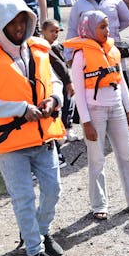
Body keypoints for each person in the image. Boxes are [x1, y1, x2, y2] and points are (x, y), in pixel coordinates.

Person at [0, 0, 65, 256]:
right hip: (12, 145)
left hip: (43, 139)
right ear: (0, 25)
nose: (18, 27)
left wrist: (54, 99)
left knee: (53, 190)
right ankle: (34, 251)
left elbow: (56, 81)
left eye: (22, 20)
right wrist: (20, 109)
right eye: (11, 23)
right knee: (23, 198)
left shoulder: (39, 49)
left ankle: (41, 231)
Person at [65, 11, 129, 220]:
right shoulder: (80, 56)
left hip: (116, 109)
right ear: (89, 28)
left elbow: (120, 80)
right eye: (102, 27)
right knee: (96, 159)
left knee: (127, 154)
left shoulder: (112, 49)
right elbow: (78, 91)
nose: (107, 31)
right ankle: (99, 204)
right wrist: (86, 122)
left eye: (108, 26)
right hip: (94, 112)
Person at [66, 0, 129, 68]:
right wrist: (69, 54)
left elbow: (127, 20)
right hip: (89, 51)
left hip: (112, 48)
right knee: (95, 79)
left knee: (118, 77)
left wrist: (112, 29)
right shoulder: (79, 3)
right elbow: (73, 28)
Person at [40, 20, 78, 160]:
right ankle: (58, 134)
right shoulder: (42, 47)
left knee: (69, 105)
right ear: (43, 31)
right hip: (52, 83)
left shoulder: (57, 46)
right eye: (52, 31)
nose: (55, 34)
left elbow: (63, 64)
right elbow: (58, 65)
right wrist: (68, 81)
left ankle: (68, 129)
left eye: (57, 31)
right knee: (57, 109)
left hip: (62, 82)